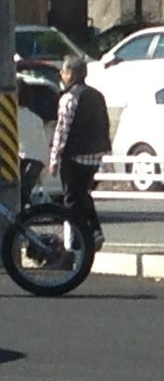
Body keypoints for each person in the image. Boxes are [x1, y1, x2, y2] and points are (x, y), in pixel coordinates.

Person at [48, 55, 111, 252]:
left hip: (74, 154)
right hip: (95, 154)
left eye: (63, 71)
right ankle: (95, 231)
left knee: (72, 200)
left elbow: (62, 130)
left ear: (72, 74)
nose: (61, 74)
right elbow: (105, 124)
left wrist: (54, 158)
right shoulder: (97, 95)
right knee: (82, 194)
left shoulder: (69, 98)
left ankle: (77, 242)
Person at [17, 78, 49, 205]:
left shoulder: (9, 116)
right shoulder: (36, 119)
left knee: (12, 197)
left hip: (21, 161)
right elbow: (42, 146)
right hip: (37, 162)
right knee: (22, 198)